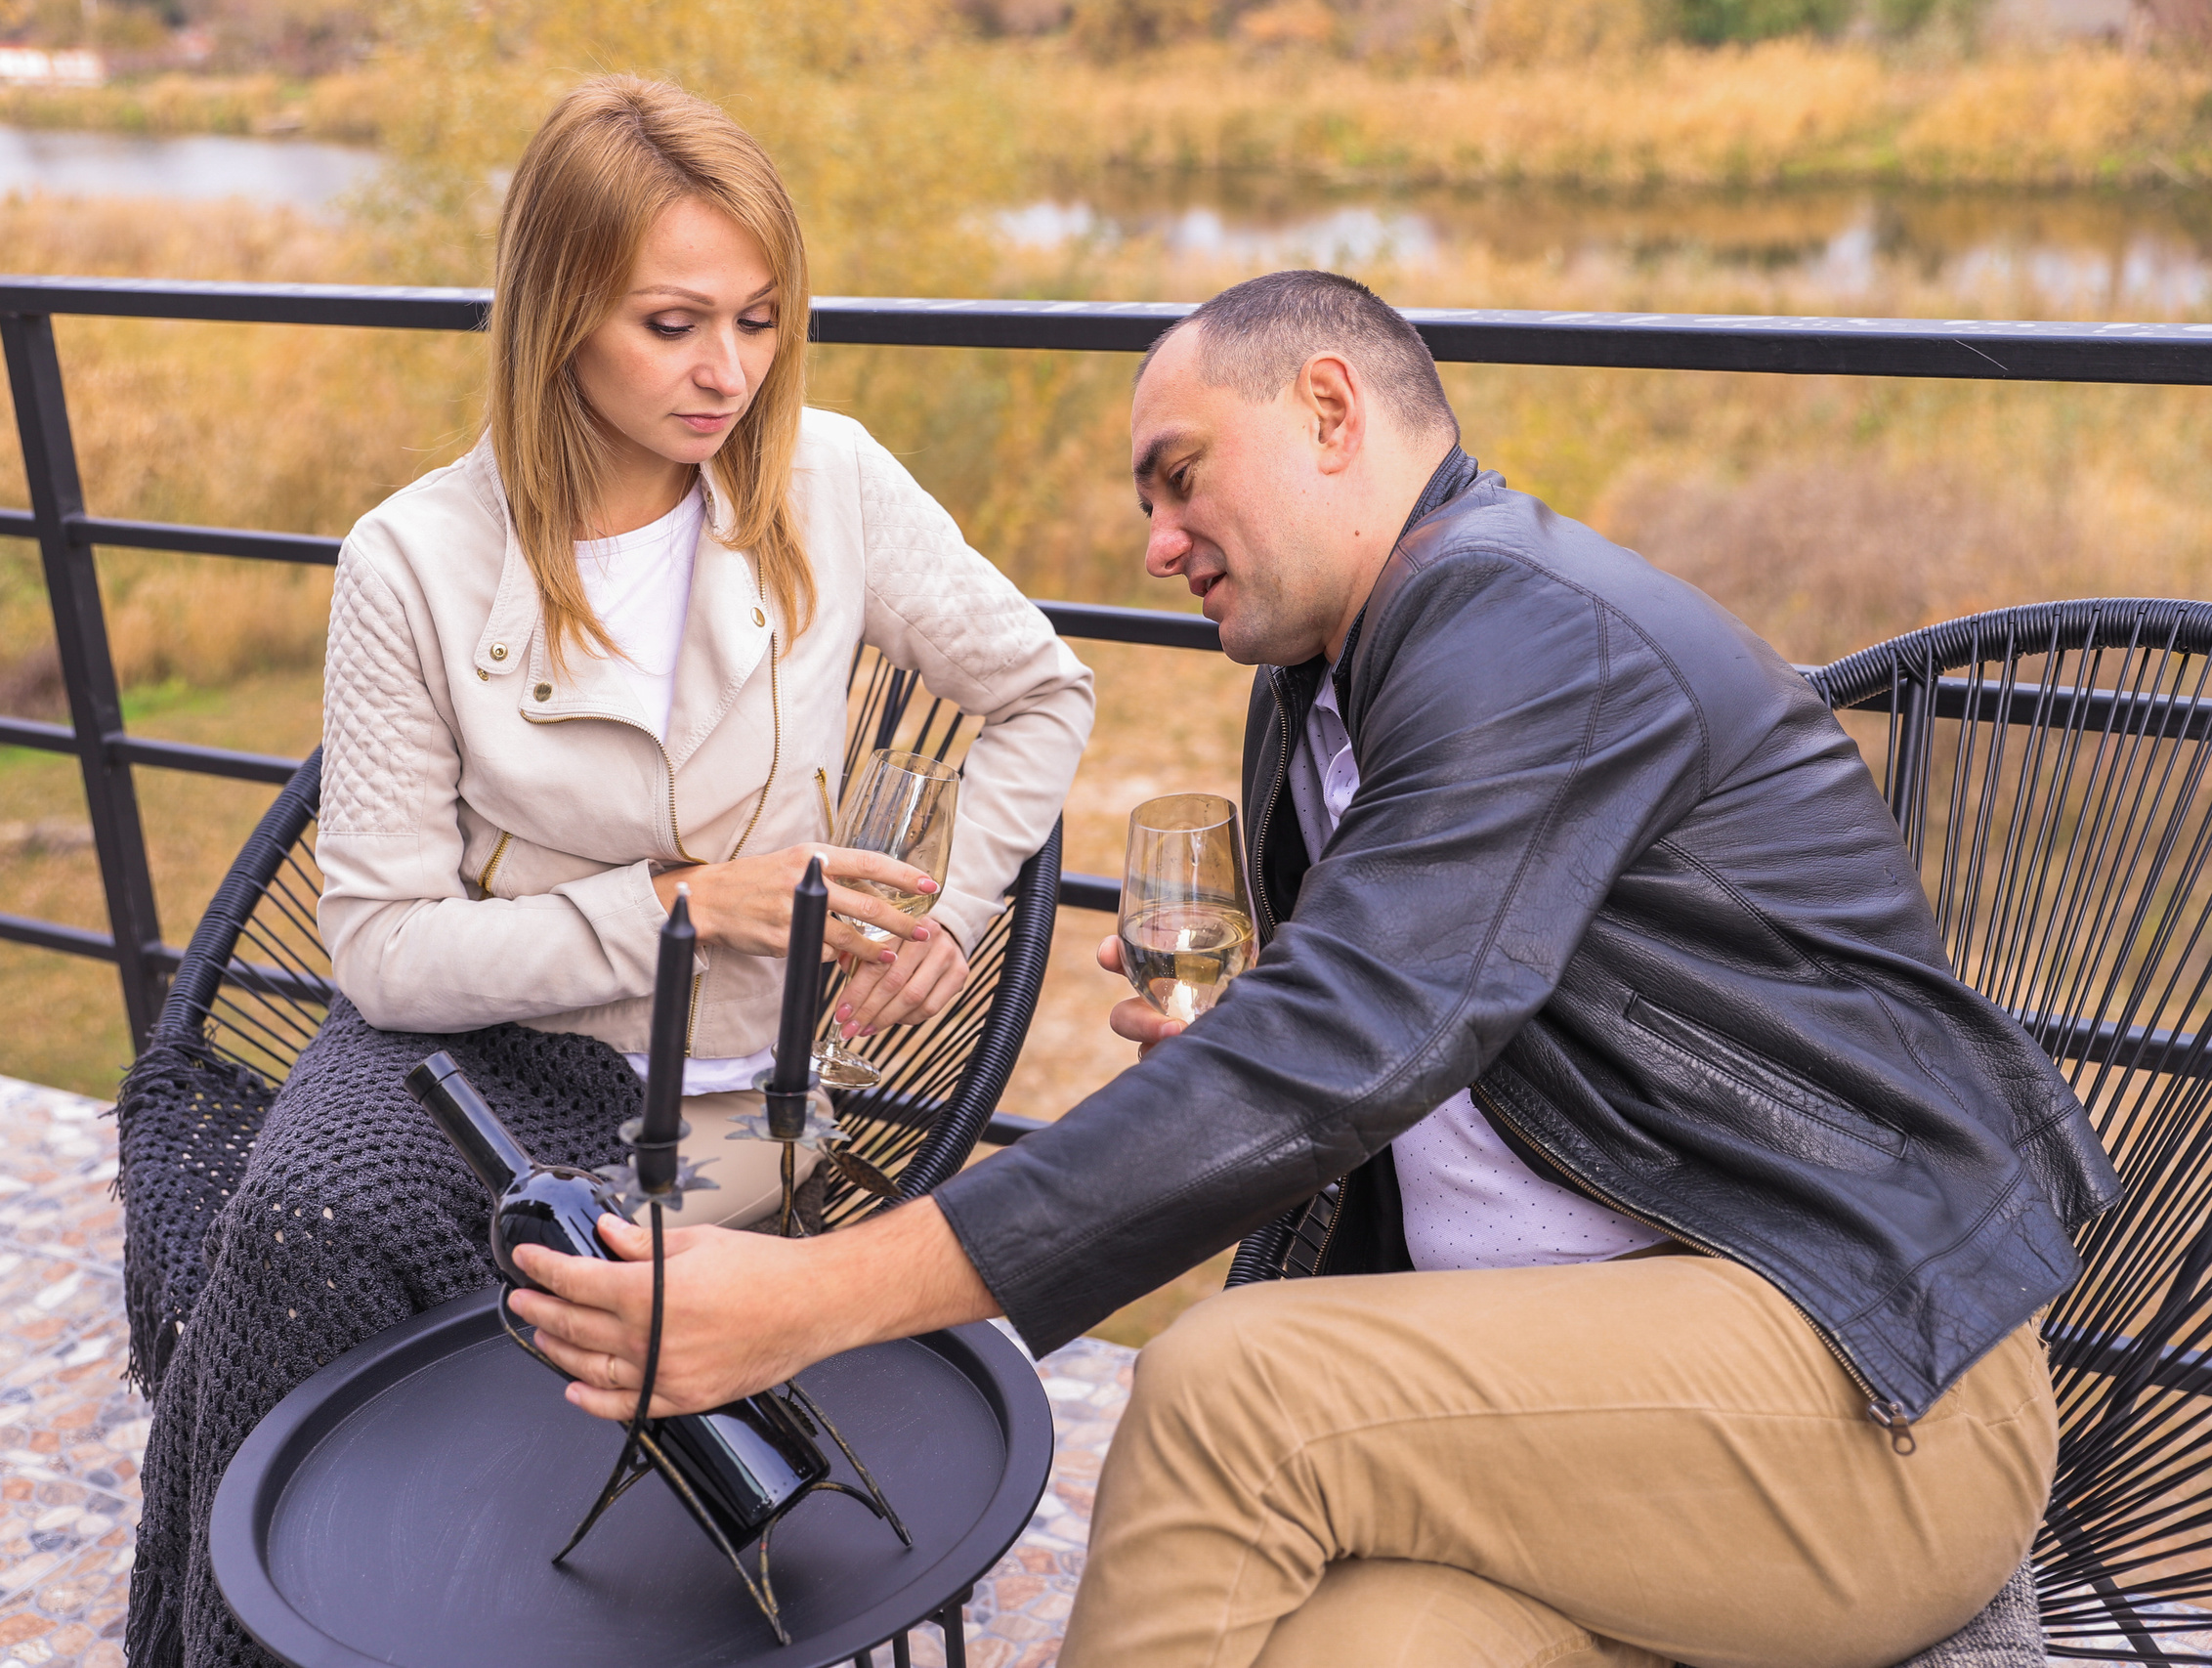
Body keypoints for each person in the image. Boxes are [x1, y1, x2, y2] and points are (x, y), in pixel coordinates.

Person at [505, 270, 2121, 1668]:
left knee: (1225, 1387)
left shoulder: (1530, 632)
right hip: (1598, 1412)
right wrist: (1233, 1083)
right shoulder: (1332, 688)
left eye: (1182, 475)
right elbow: (1366, 1056)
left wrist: (814, 1299)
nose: (1156, 543)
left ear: (1332, 409)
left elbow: (1344, 1043)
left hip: (1867, 1392)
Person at [124, 77, 1091, 1668]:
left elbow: (1042, 690)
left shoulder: (827, 482)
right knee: (303, 1222)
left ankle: (403, 1598)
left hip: (731, 1104)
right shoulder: (414, 561)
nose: (729, 372)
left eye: (762, 318)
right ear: (560, 314)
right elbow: (377, 948)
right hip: (476, 1054)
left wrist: (955, 911)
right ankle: (233, 1634)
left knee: (378, 1269)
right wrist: (662, 911)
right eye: (673, 324)